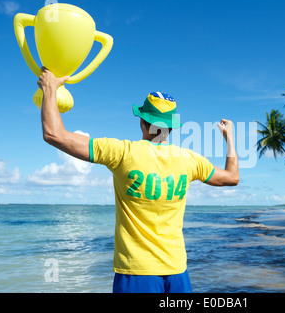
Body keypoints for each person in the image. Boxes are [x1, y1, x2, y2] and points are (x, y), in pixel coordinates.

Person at [37, 67, 239, 293]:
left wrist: (50, 88)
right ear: (171, 127)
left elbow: (54, 134)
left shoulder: (122, 152)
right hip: (177, 271)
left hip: (136, 274)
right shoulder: (189, 160)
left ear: (142, 121)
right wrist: (229, 138)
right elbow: (232, 177)